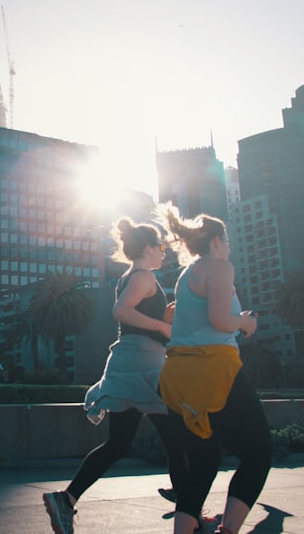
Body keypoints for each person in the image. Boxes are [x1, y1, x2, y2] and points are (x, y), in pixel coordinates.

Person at [43, 217, 188, 534]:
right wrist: (164, 326)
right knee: (178, 435)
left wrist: (163, 317)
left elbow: (133, 318)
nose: (164, 252)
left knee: (119, 443)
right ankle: (188, 508)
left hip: (129, 360)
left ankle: (65, 499)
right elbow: (122, 311)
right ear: (148, 248)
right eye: (160, 246)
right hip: (143, 364)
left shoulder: (131, 276)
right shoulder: (145, 276)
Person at [159, 206, 272, 534]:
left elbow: (184, 318)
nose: (230, 246)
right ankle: (229, 530)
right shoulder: (220, 267)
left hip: (176, 377)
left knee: (203, 462)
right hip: (213, 370)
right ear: (219, 240)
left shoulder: (187, 273)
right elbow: (220, 321)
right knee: (258, 452)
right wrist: (246, 323)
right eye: (228, 240)